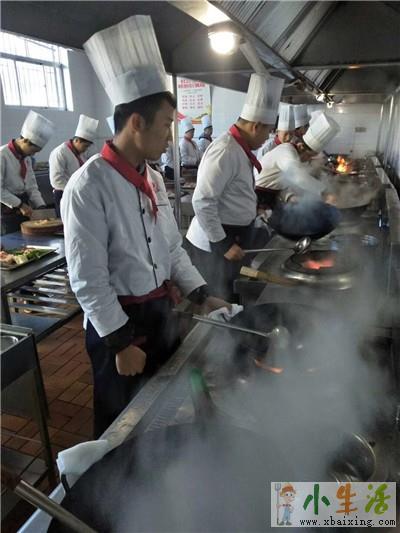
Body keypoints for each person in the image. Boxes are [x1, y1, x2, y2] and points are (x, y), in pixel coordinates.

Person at [62, 15, 229, 438]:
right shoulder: (88, 185)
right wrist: (120, 343)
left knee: (162, 410)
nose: (171, 136)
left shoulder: (151, 178)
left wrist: (200, 293)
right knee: (120, 428)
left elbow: (170, 248)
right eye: (167, 124)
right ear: (137, 122)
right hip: (118, 323)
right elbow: (88, 278)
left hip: (158, 314)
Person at [186, 73, 284, 300]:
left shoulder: (239, 149)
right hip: (215, 243)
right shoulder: (225, 150)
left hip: (232, 236)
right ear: (256, 126)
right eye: (268, 131)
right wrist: (223, 244)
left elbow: (233, 191)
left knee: (232, 296)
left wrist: (252, 208)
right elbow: (202, 201)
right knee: (220, 300)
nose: (267, 138)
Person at [256, 112, 341, 238]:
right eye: (309, 156)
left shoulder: (290, 154)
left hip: (270, 199)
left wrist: (289, 196)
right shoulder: (286, 151)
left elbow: (281, 181)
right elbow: (297, 176)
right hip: (257, 200)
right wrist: (325, 192)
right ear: (301, 146)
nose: (308, 160)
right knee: (262, 235)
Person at [0, 111, 54, 235]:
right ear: (25, 141)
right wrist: (19, 205)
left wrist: (41, 206)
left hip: (24, 207)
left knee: (28, 238)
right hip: (6, 208)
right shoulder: (2, 155)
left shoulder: (26, 158)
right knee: (12, 239)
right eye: (33, 150)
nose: (33, 154)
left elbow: (31, 186)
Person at [49, 115, 99, 217]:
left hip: (78, 194)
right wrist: (74, 190)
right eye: (85, 146)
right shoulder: (60, 152)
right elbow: (56, 180)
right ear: (77, 140)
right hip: (63, 194)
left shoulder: (80, 154)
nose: (86, 149)